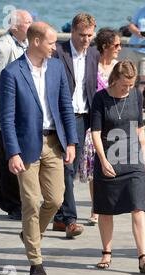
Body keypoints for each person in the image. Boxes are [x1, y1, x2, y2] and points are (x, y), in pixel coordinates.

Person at [0, 22, 78, 275]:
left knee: (55, 200)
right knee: (31, 202)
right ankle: (36, 260)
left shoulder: (56, 68)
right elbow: (7, 118)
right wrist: (12, 153)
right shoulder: (11, 73)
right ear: (36, 42)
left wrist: (71, 143)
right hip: (26, 146)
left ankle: (29, 233)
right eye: (51, 43)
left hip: (55, 143)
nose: (55, 48)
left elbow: (66, 106)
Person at [91, 60, 145, 274]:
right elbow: (95, 133)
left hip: (133, 159)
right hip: (108, 157)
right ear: (114, 79)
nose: (127, 89)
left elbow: (139, 127)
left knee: (138, 207)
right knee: (105, 210)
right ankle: (106, 252)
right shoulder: (100, 98)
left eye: (130, 85)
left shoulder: (136, 95)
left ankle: (142, 256)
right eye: (123, 85)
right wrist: (102, 160)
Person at [52, 13, 100, 238]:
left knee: (70, 170)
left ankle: (60, 218)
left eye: (90, 35)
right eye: (81, 35)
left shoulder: (94, 54)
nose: (86, 39)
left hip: (83, 117)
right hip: (61, 117)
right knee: (67, 166)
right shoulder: (58, 52)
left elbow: (92, 89)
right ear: (72, 31)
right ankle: (71, 219)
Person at [0, 9, 33, 221]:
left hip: (25, 116)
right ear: (14, 27)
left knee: (21, 159)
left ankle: (0, 195)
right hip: (7, 117)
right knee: (9, 161)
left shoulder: (28, 45)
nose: (32, 25)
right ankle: (13, 204)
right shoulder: (3, 48)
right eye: (28, 22)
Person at [79, 27, 121, 226]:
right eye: (116, 45)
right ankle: (96, 207)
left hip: (113, 123)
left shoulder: (118, 67)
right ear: (105, 46)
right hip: (93, 122)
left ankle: (109, 204)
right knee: (94, 168)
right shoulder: (92, 66)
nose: (120, 48)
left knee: (112, 165)